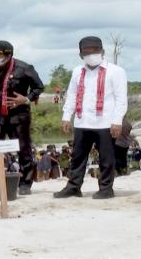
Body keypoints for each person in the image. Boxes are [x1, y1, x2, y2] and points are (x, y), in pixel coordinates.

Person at [54, 36, 127, 199]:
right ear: (80, 55)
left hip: (106, 122)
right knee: (78, 157)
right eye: (86, 52)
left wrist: (117, 121)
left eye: (95, 51)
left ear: (102, 52)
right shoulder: (77, 71)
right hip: (82, 121)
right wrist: (67, 116)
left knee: (106, 159)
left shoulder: (116, 71)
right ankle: (73, 187)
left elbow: (121, 99)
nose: (91, 54)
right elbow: (72, 95)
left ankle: (106, 188)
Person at [0, 40, 44, 195]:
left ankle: (25, 183)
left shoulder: (24, 68)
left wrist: (27, 98)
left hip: (17, 115)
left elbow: (39, 87)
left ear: (8, 56)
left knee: (23, 148)